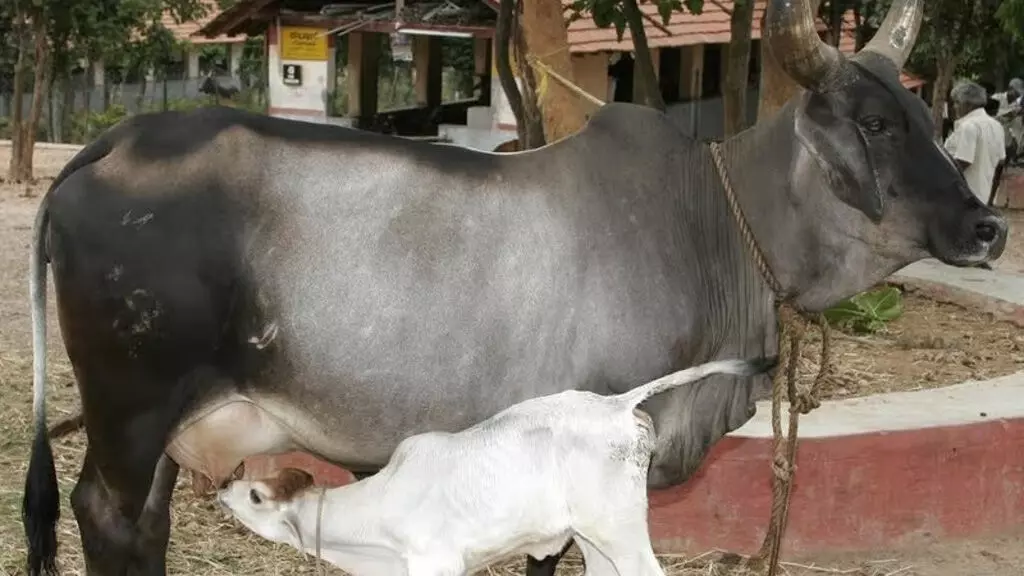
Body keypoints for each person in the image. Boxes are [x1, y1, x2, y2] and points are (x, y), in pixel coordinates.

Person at [944, 80, 1006, 206]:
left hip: (962, 199)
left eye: (956, 103)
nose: (954, 107)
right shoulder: (996, 125)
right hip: (982, 198)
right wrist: (990, 199)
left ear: (967, 104)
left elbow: (963, 161)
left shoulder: (969, 126)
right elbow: (1000, 162)